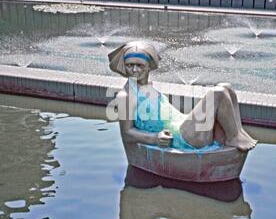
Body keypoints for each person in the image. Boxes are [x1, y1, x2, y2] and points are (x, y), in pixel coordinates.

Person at [108, 41, 257, 151]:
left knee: (226, 87)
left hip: (182, 125)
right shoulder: (126, 96)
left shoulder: (147, 87)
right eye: (129, 65)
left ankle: (238, 133)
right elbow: (126, 133)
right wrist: (155, 138)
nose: (134, 70)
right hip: (181, 137)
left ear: (149, 66)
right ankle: (233, 138)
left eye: (139, 65)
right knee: (217, 94)